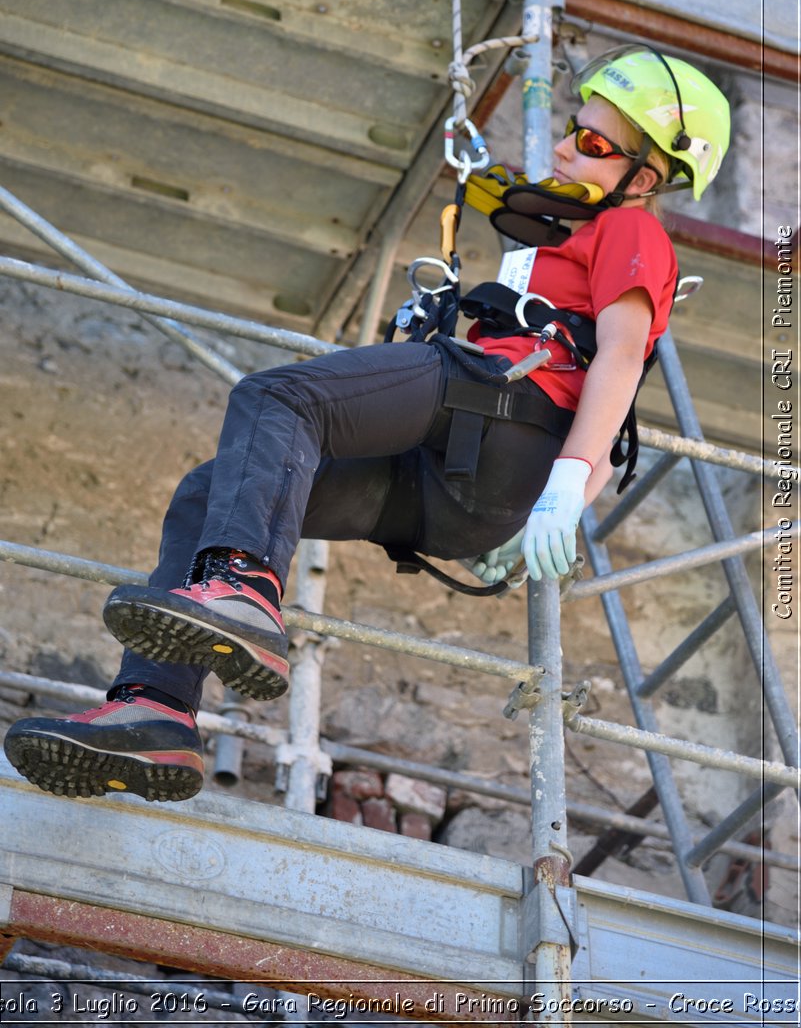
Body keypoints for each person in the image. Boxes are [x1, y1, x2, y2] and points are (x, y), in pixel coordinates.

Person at [4, 47, 730, 803]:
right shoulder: (552, 238)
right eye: (571, 128)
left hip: (500, 415)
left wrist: (571, 482)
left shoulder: (631, 234)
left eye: (590, 143)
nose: (561, 144)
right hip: (458, 488)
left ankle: (243, 591)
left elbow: (619, 360)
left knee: (278, 400)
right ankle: (156, 713)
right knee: (211, 492)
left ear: (642, 178)